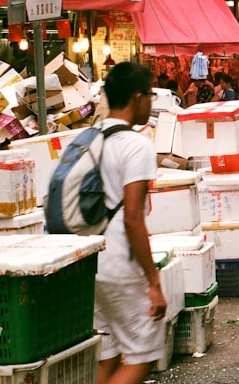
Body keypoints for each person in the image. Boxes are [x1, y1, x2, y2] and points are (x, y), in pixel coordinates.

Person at [94, 62, 167, 384]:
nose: (151, 102)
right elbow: (133, 219)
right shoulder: (136, 144)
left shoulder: (87, 139)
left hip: (87, 264)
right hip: (119, 266)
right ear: (138, 97)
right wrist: (153, 282)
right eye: (150, 95)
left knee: (107, 357)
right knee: (142, 355)